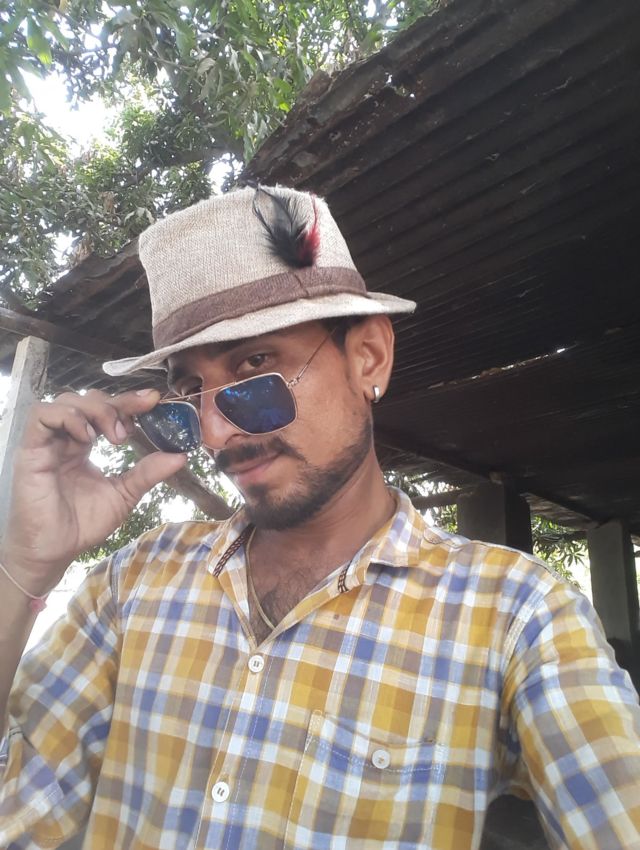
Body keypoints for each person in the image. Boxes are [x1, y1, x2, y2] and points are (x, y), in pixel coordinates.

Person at [0, 185, 638, 850]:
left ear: (368, 358)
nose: (216, 435)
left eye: (256, 366)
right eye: (190, 392)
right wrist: (23, 564)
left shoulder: (515, 615)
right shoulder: (134, 582)